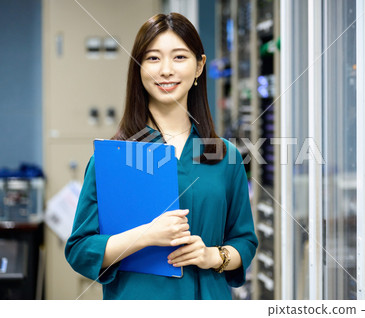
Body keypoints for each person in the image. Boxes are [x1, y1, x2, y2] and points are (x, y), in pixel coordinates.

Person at [65, 12, 258, 300]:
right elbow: (80, 249)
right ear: (138, 68)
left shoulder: (224, 156)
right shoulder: (113, 158)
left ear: (199, 66)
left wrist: (213, 256)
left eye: (179, 57)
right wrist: (145, 236)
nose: (166, 70)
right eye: (153, 58)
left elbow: (244, 240)